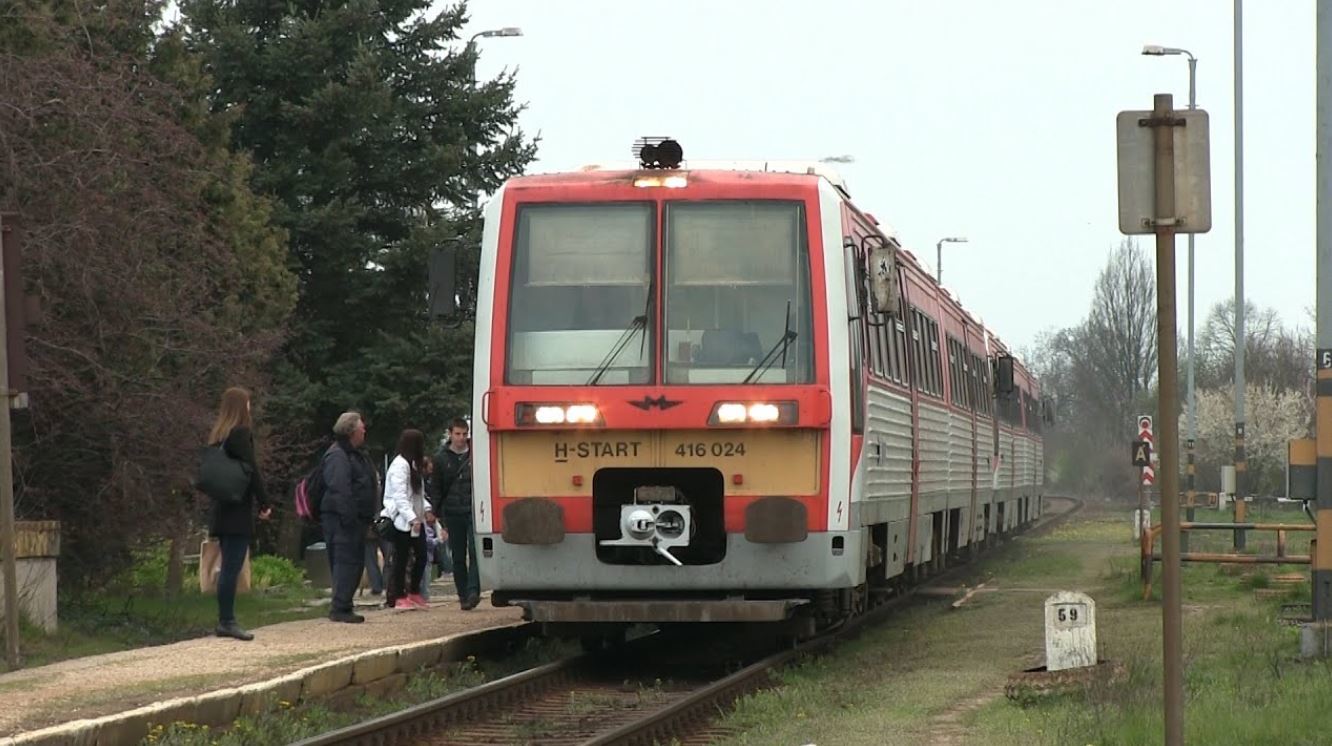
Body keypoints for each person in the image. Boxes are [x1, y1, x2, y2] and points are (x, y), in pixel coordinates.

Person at [206, 387, 272, 641]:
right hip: (236, 511)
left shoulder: (219, 435)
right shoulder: (240, 434)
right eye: (248, 404)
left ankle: (226, 618)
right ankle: (227, 620)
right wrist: (264, 501)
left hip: (222, 509)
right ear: (241, 407)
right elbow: (251, 470)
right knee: (232, 566)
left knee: (229, 564)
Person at [321, 412, 378, 623]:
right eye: (361, 427)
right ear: (352, 430)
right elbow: (340, 488)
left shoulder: (355, 453)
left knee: (354, 562)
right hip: (341, 519)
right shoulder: (338, 456)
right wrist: (349, 517)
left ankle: (344, 604)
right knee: (345, 561)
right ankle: (340, 606)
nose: (365, 430)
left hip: (355, 518)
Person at [381, 429, 431, 610]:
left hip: (416, 519)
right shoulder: (399, 466)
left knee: (422, 555)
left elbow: (417, 494)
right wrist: (411, 517)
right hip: (401, 521)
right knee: (401, 559)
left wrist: (426, 510)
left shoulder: (413, 465)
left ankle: (414, 591)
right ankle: (399, 595)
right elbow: (400, 496)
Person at [435, 418, 480, 610]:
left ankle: (473, 591)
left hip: (473, 510)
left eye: (464, 434)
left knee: (475, 552)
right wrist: (438, 515)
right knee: (458, 556)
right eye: (458, 434)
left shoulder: (475, 454)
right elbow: (437, 488)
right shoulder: (441, 458)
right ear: (450, 434)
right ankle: (463, 594)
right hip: (452, 512)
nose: (461, 438)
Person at [420, 507, 452, 600]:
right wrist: (439, 539)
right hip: (425, 555)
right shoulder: (426, 527)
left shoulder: (435, 525)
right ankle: (424, 596)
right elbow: (428, 542)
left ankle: (425, 596)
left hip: (429, 556)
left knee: (427, 577)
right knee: (424, 578)